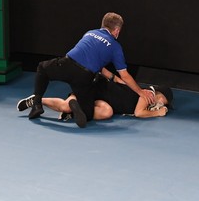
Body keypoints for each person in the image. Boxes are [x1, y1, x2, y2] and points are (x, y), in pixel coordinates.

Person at [15, 12, 154, 128]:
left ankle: (37, 101)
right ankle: (53, 104)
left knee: (42, 68)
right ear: (117, 31)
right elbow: (124, 75)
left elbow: (84, 55)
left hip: (68, 64)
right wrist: (140, 92)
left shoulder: (90, 33)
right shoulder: (115, 46)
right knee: (87, 114)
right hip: (84, 77)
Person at [45, 79, 174, 121]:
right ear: (157, 93)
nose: (161, 104)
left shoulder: (147, 99)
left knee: (107, 112)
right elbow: (139, 112)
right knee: (66, 106)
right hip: (96, 89)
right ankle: (37, 100)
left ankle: (74, 111)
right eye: (162, 100)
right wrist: (157, 113)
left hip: (103, 101)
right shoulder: (148, 93)